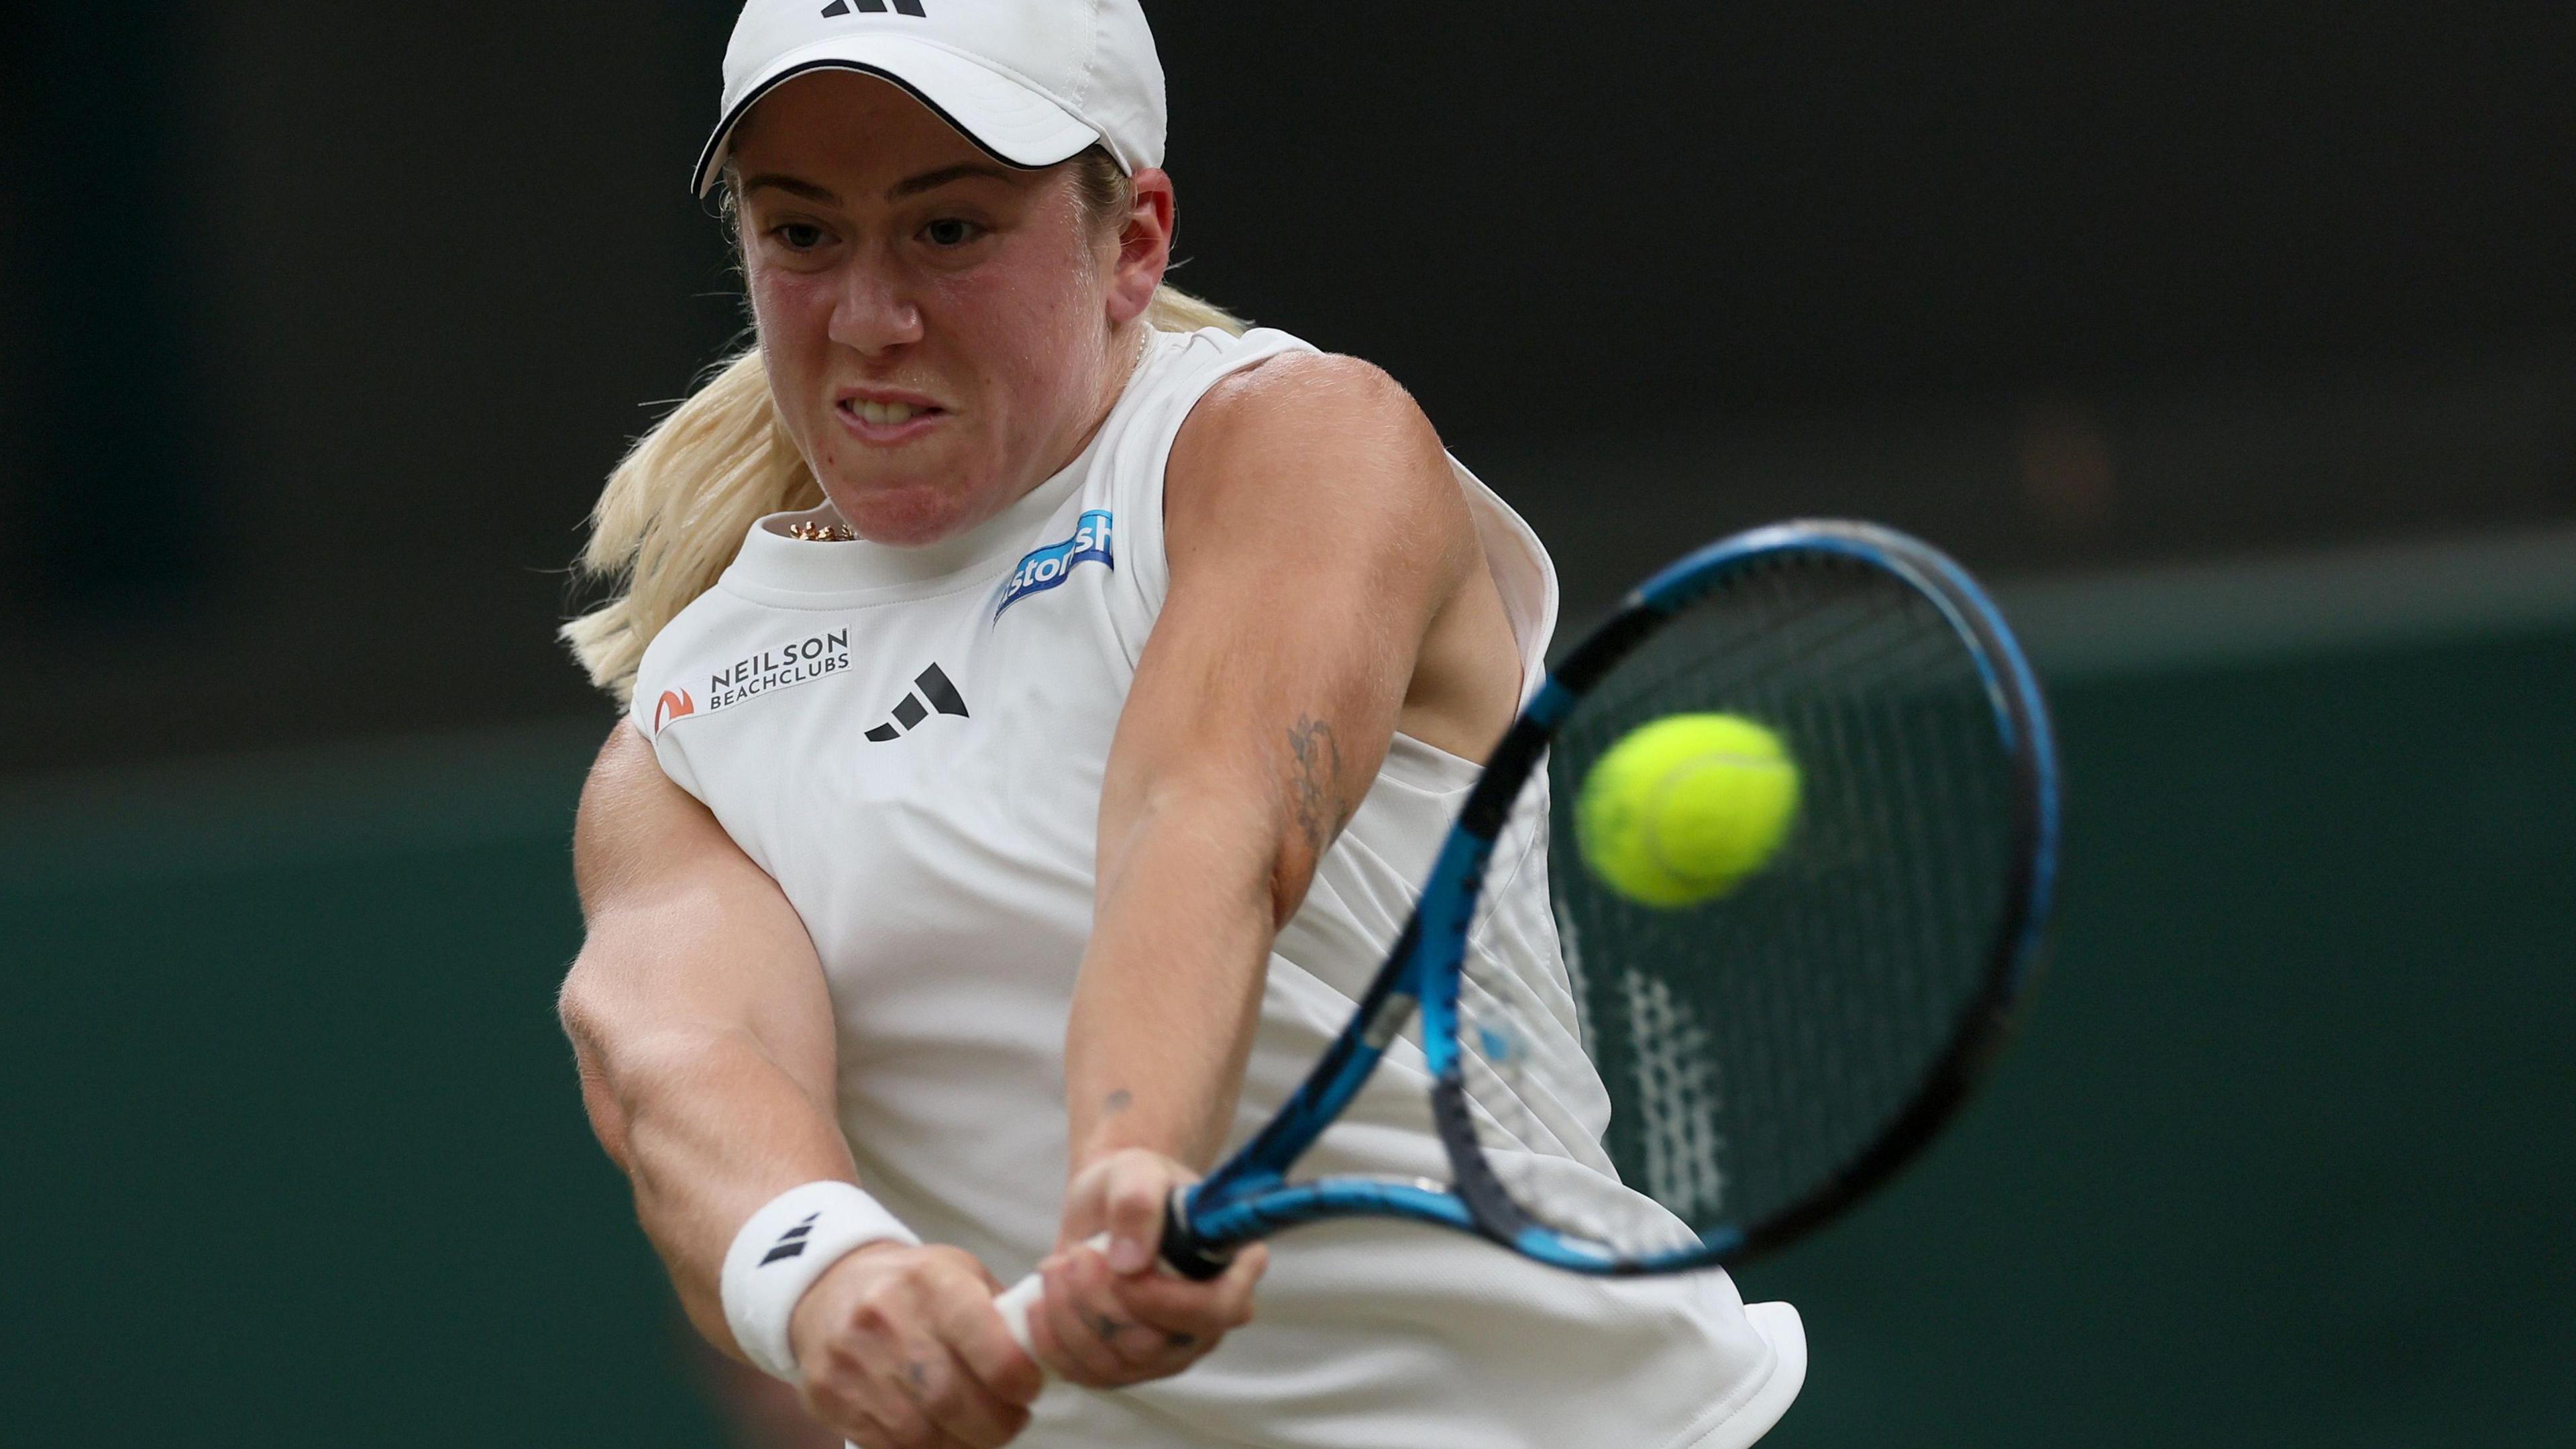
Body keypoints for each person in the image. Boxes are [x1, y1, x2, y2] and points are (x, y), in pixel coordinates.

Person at [555, 3, 1806, 1446]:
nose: (867, 316)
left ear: (1132, 239)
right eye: (803, 235)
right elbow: (680, 1054)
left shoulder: (1295, 446)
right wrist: (829, 1274)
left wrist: (1134, 1163)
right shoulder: (691, 727)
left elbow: (1199, 826)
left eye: (948, 231)